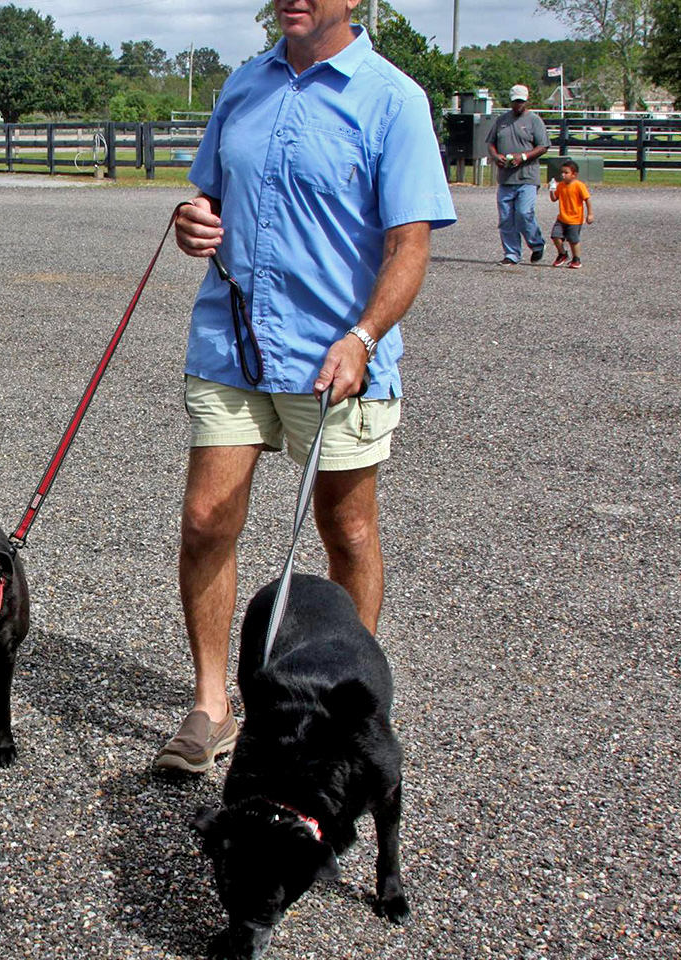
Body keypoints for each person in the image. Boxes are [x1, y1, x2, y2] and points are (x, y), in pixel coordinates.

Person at [157, 0, 456, 774]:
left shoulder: (393, 98)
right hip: (234, 345)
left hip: (338, 356)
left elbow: (409, 245)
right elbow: (208, 200)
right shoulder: (242, 86)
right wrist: (194, 219)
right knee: (204, 520)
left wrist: (363, 337)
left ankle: (346, 706)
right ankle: (213, 704)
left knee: (347, 533)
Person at [488, 84, 549, 265]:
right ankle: (512, 254)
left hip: (527, 176)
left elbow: (543, 146)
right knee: (506, 218)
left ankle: (537, 243)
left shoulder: (534, 120)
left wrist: (522, 157)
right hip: (506, 177)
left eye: (521, 101)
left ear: (526, 100)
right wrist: (495, 156)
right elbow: (491, 143)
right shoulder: (502, 120)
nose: (518, 105)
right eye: (515, 101)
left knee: (523, 212)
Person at [548, 159, 592, 269]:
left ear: (574, 174)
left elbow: (587, 199)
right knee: (555, 236)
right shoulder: (561, 185)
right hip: (562, 218)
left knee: (573, 240)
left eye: (566, 173)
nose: (563, 175)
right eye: (562, 172)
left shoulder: (579, 185)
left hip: (575, 219)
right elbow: (554, 199)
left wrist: (590, 214)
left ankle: (576, 258)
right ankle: (562, 254)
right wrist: (551, 189)